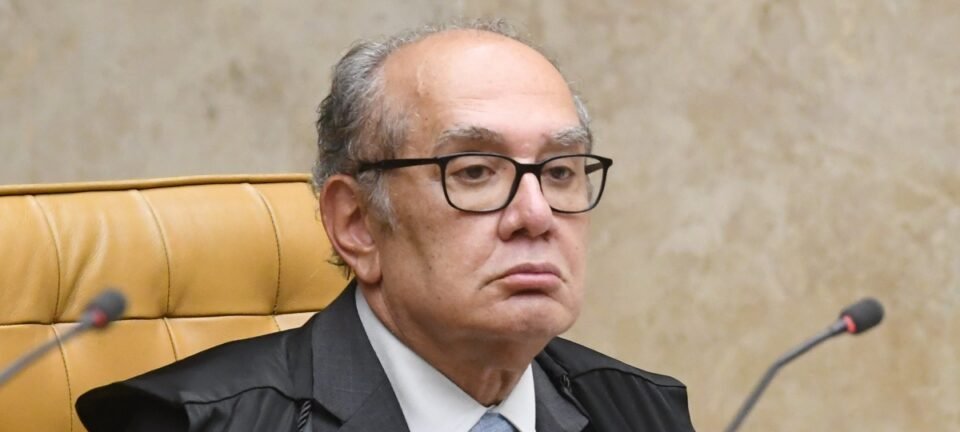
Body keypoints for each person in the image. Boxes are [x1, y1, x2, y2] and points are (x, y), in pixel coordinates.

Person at [77, 19, 695, 432]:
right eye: (474, 172)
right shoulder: (191, 423)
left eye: (559, 172)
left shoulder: (643, 412)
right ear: (357, 224)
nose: (535, 215)